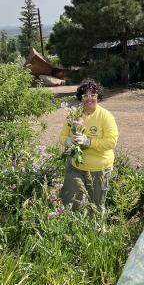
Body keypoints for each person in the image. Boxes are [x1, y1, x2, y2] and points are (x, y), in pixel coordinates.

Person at [59, 79, 119, 212]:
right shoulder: (74, 115)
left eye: (93, 95)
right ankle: (70, 227)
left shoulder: (105, 116)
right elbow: (62, 136)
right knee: (70, 203)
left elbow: (111, 142)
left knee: (96, 207)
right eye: (85, 95)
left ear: (98, 97)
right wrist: (68, 141)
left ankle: (97, 230)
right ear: (81, 98)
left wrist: (88, 142)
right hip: (76, 166)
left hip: (99, 169)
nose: (89, 98)